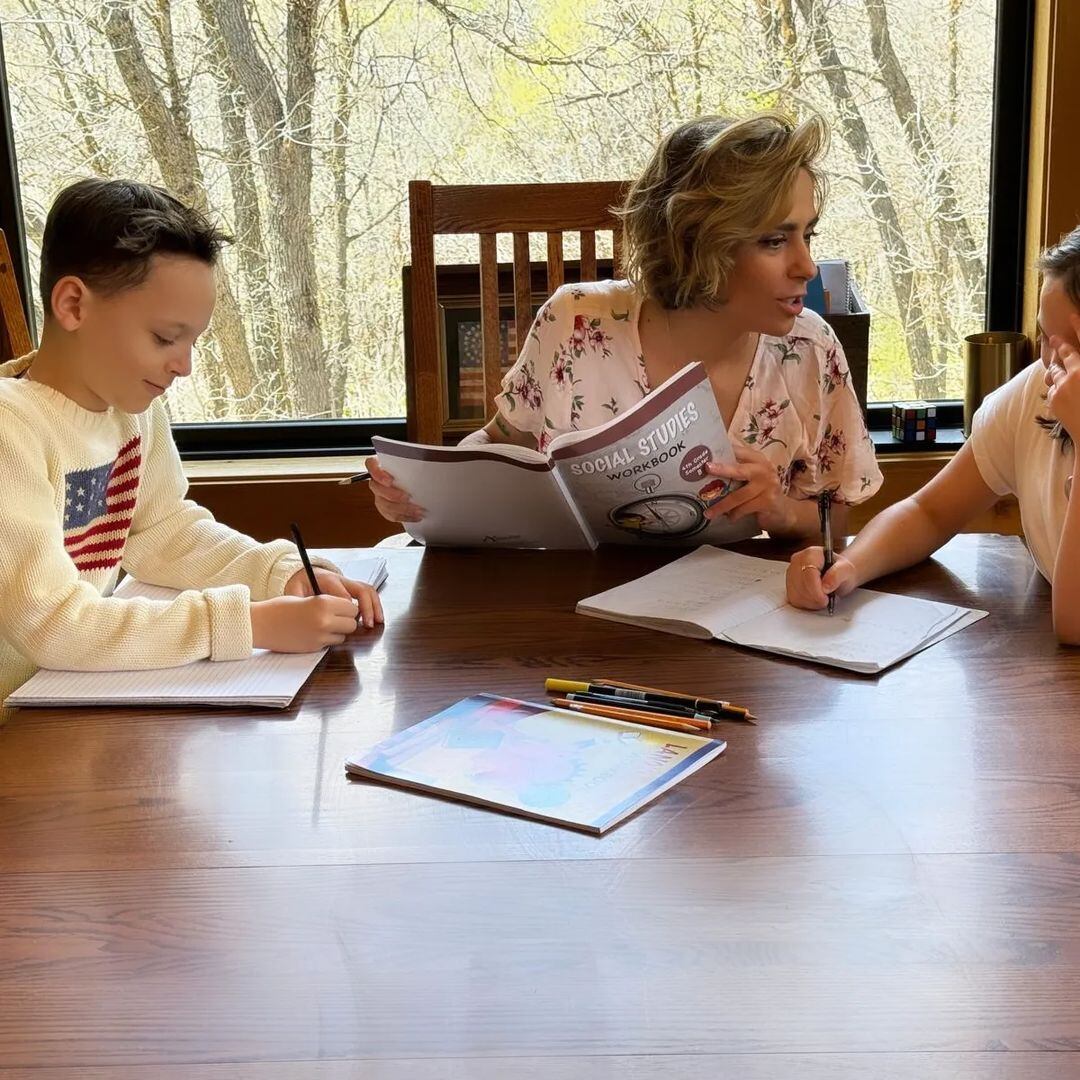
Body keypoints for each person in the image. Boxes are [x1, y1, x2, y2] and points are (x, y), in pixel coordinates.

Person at [368, 111, 881, 541]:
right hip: (571, 621)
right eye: (774, 241)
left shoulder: (810, 349)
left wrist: (781, 511)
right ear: (694, 244)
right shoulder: (574, 324)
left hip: (729, 631)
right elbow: (500, 442)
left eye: (808, 235)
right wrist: (418, 492)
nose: (806, 267)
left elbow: (837, 517)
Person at [0, 178, 383, 704]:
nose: (184, 365)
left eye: (193, 341)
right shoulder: (10, 429)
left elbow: (163, 530)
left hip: (66, 696)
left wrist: (281, 573)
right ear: (72, 305)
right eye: (164, 338)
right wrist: (248, 625)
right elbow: (56, 625)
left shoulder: (133, 408)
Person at [786, 225, 1080, 644]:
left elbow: (1074, 626)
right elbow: (930, 512)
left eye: (1072, 346)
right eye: (1045, 338)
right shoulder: (1034, 393)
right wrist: (849, 565)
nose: (1050, 363)